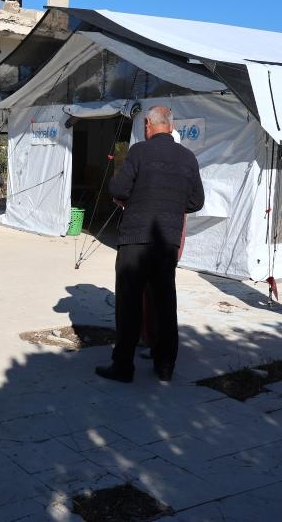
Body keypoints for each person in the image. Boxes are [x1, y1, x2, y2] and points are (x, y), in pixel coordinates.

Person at [95, 105, 204, 384]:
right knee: (165, 303)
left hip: (135, 240)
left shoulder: (139, 152)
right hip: (166, 241)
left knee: (129, 304)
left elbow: (119, 189)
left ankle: (123, 366)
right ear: (171, 125)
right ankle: (165, 366)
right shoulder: (188, 158)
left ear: (148, 125)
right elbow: (196, 201)